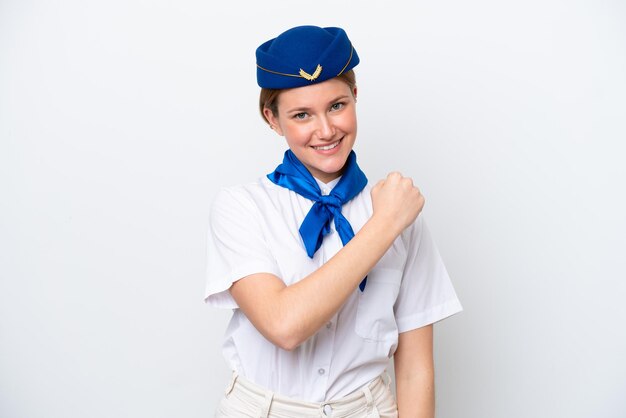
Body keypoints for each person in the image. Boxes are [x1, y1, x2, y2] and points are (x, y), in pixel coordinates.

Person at [205, 25, 462, 418]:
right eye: (302, 115)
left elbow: (414, 369)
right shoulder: (241, 208)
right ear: (272, 119)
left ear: (355, 97)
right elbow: (284, 325)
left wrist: (393, 220)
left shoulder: (401, 213)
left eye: (337, 106)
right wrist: (382, 228)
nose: (325, 130)